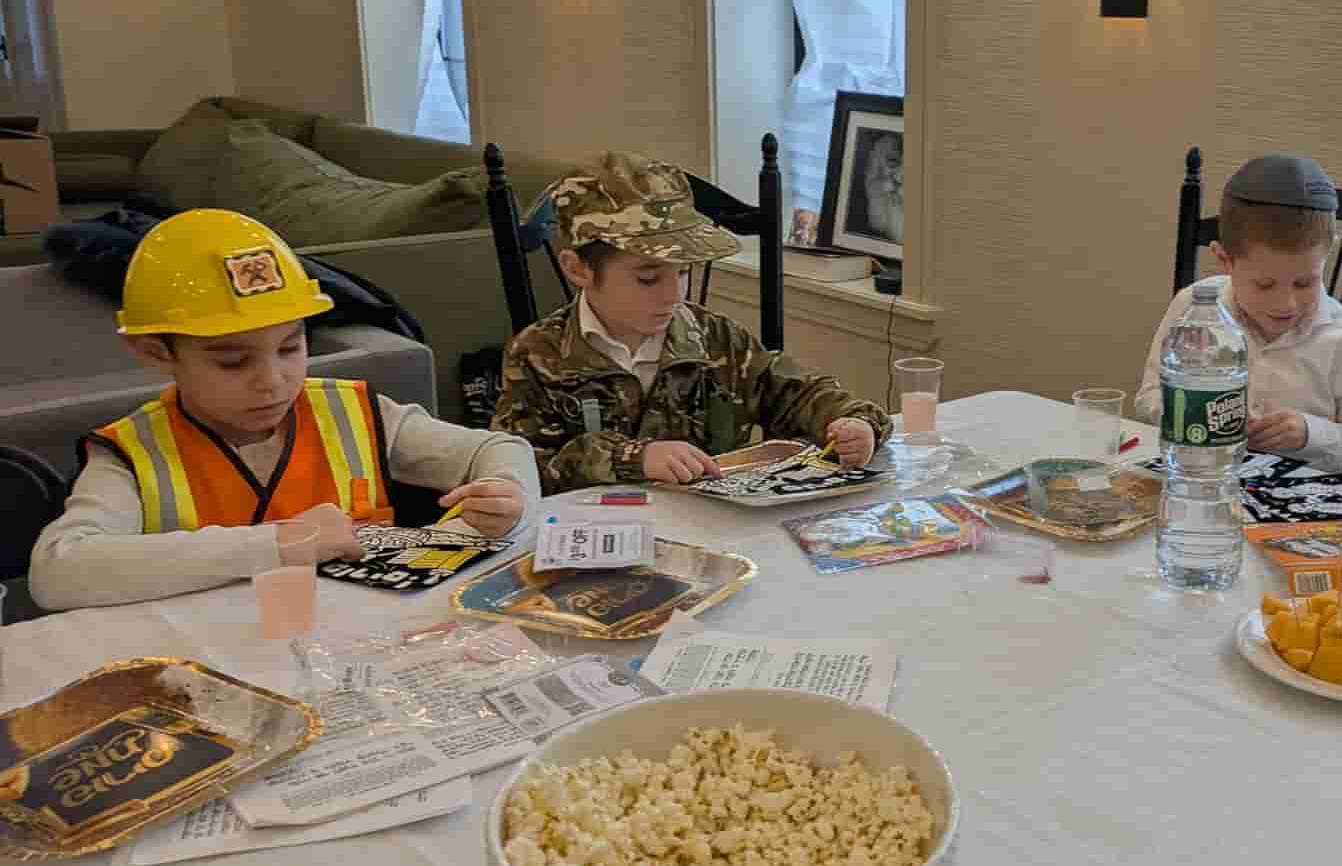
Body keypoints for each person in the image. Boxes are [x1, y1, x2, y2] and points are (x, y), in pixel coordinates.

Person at [30, 210, 539, 610]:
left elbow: (500, 447)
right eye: (233, 361)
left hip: (358, 649)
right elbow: (58, 571)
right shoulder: (130, 454)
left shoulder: (352, 412)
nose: (273, 381)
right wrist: (279, 543)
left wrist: (508, 494)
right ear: (156, 352)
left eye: (291, 347)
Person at [492, 152, 890, 490]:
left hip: (713, 532)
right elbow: (516, 469)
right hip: (597, 541)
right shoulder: (538, 354)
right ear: (577, 269)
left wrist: (855, 423)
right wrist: (630, 457)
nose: (673, 295)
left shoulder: (715, 340)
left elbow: (798, 394)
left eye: (683, 272)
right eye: (648, 278)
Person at [1136, 154, 1342, 473]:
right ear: (1224, 260)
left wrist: (1310, 434)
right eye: (1265, 285)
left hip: (1303, 496)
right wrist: (1198, 413)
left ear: (1328, 253)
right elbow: (1148, 399)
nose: (1287, 304)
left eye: (1304, 282)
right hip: (1204, 477)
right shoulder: (1191, 310)